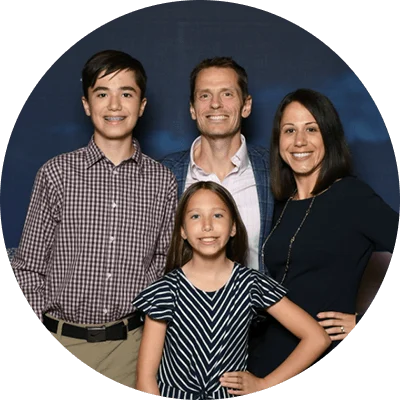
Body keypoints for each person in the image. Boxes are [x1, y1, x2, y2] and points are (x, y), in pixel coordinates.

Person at [10, 49, 178, 389]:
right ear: (87, 105)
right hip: (61, 337)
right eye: (102, 94)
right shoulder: (57, 173)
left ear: (142, 105)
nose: (114, 106)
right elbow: (27, 265)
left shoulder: (163, 182)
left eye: (126, 94)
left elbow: (164, 260)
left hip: (128, 347)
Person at [159, 56, 357, 341]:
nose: (215, 104)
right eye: (205, 95)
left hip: (265, 335)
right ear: (192, 109)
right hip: (183, 337)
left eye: (227, 94)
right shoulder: (163, 174)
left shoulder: (280, 171)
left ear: (246, 105)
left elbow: (326, 246)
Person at [244, 88, 399, 378]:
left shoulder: (351, 196)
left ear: (328, 136)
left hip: (318, 354)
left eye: (311, 129)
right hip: (265, 356)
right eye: (289, 130)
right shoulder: (280, 204)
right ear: (279, 141)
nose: (299, 141)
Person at [132, 181, 331, 398]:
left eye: (218, 215)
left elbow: (317, 337)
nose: (207, 225)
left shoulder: (251, 284)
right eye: (195, 216)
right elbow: (146, 377)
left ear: (233, 227)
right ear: (182, 231)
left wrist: (265, 383)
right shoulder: (165, 290)